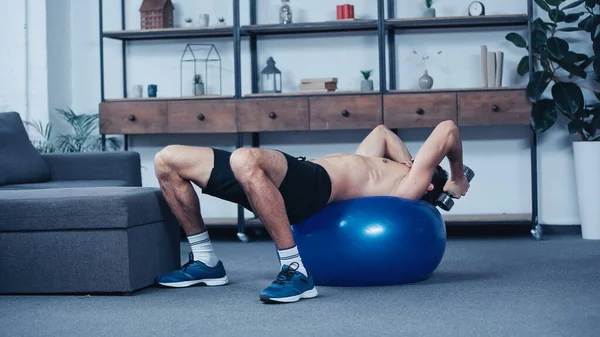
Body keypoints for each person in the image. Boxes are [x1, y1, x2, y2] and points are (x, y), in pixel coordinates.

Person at [153, 120, 470, 303]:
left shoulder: (410, 188)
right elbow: (382, 133)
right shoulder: (390, 168)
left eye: (424, 167)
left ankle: (296, 271)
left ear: (428, 183)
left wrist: (455, 177)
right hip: (281, 180)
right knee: (168, 159)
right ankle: (205, 260)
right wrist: (405, 159)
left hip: (313, 189)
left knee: (243, 159)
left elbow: (447, 129)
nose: (415, 164)